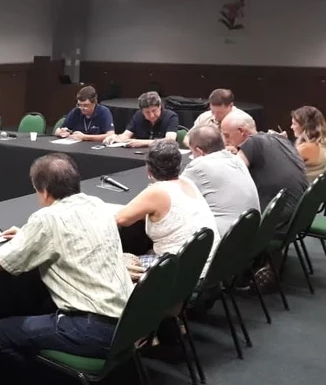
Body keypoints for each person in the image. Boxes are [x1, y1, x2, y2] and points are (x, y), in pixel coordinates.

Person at [0, 153, 132, 385]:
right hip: (129, 321)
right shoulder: (97, 204)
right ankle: (65, 383)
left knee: (0, 332)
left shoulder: (47, 218)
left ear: (43, 191)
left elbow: (0, 261)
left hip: (93, 330)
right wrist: (28, 236)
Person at [114, 140, 220, 281]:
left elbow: (120, 219)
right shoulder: (188, 182)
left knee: (116, 266)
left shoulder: (157, 191)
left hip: (179, 273)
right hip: (208, 268)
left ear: (148, 169)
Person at [221, 111, 308, 231]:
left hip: (275, 219)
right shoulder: (279, 138)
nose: (225, 141)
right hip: (298, 214)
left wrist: (222, 155)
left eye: (227, 136)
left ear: (241, 131)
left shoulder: (252, 142)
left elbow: (232, 174)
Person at [181, 125, 259, 237]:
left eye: (192, 151)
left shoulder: (199, 165)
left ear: (199, 151)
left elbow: (175, 194)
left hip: (225, 239)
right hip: (252, 233)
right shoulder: (237, 160)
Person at [106, 91, 178, 148]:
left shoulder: (171, 116)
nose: (151, 115)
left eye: (154, 111)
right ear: (142, 111)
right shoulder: (138, 115)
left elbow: (170, 141)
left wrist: (142, 142)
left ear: (159, 107)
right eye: (147, 112)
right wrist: (115, 137)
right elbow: (125, 135)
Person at [287, 105, 326, 181]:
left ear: (305, 126)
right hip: (318, 185)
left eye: (294, 124)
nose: (291, 127)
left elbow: (281, 165)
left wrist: (278, 141)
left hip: (303, 186)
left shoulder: (306, 148)